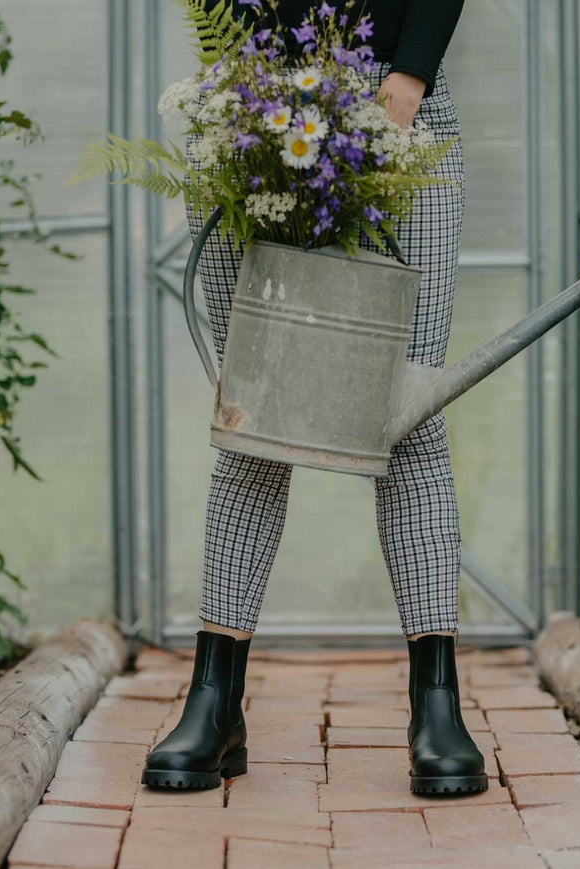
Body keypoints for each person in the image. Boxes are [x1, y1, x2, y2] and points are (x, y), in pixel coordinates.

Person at [142, 0, 485, 795]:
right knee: (255, 418)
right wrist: (235, 82)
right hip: (255, 113)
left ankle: (437, 705)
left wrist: (410, 73)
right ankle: (215, 700)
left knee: (410, 421)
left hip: (403, 112)